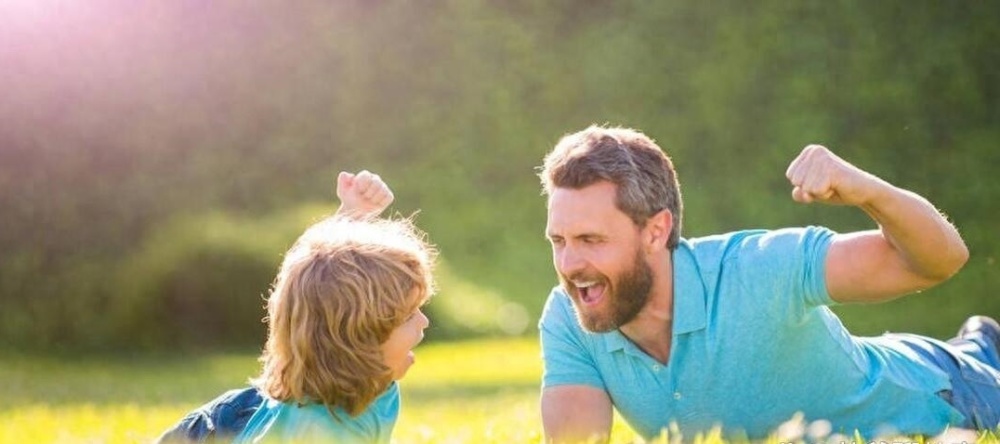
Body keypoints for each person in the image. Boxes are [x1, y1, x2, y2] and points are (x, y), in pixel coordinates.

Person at [537, 125, 1000, 442]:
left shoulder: (759, 269)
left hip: (956, 393)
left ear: (656, 231)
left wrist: (867, 191)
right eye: (558, 240)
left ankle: (980, 346)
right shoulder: (569, 317)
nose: (570, 262)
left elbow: (937, 262)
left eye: (591, 240)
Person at [158, 170, 435, 443]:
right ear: (359, 340)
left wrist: (354, 215)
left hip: (250, 411)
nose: (424, 322)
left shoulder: (370, 380)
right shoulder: (315, 432)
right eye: (409, 315)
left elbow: (322, 290)